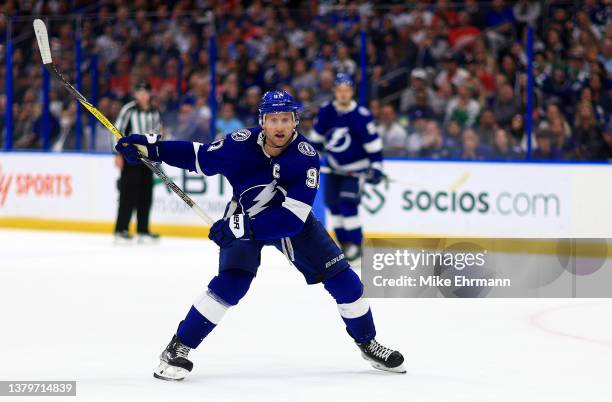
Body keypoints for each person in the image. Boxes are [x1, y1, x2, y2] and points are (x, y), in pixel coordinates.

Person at [115, 90, 405, 381]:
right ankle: (177, 349)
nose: (279, 126)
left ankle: (368, 343)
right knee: (231, 284)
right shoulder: (239, 144)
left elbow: (291, 220)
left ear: (295, 122)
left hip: (289, 221)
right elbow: (199, 156)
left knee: (347, 283)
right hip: (244, 215)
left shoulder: (305, 158)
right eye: (273, 119)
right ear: (262, 122)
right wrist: (152, 148)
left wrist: (238, 227)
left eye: (286, 119)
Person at [309, 74, 384, 267]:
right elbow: (316, 141)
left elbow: (373, 145)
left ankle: (357, 248)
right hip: (333, 168)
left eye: (347, 90)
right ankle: (345, 247)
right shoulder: (326, 112)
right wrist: (310, 160)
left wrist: (376, 167)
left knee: (347, 205)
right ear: (335, 92)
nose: (343, 94)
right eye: (339, 90)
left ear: (351, 92)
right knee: (333, 207)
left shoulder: (362, 115)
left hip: (356, 170)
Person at [113, 81, 162, 244]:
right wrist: (118, 153)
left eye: (145, 92)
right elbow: (116, 130)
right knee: (128, 194)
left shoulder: (154, 112)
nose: (142, 95)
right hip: (131, 157)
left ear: (149, 94)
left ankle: (143, 230)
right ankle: (121, 230)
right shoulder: (129, 109)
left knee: (146, 194)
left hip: (148, 158)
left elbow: (157, 132)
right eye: (139, 91)